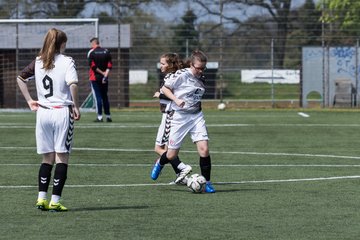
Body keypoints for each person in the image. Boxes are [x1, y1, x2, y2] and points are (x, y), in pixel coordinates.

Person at [17, 28, 81, 211]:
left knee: (47, 158)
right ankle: (55, 200)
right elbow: (73, 84)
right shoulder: (67, 61)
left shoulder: (38, 61)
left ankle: (41, 198)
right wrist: (76, 106)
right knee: (62, 157)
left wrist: (30, 101)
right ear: (62, 43)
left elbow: (20, 78)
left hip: (43, 113)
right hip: (61, 112)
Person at [151, 50, 215, 193]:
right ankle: (160, 163)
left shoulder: (202, 78)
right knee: (171, 154)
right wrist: (176, 99)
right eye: (198, 68)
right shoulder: (181, 75)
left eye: (203, 68)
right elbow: (164, 89)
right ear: (191, 65)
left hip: (196, 116)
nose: (201, 71)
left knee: (204, 149)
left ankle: (208, 182)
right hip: (179, 117)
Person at [151, 53, 192, 184]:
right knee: (169, 150)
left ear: (170, 65)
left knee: (158, 148)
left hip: (169, 116)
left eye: (163, 64)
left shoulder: (171, 77)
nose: (160, 66)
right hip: (170, 114)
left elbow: (174, 97)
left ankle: (182, 167)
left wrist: (160, 95)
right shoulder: (173, 76)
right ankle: (181, 175)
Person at [87, 37, 113, 122]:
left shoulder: (91, 52)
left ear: (93, 43)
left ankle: (100, 117)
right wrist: (105, 74)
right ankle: (108, 116)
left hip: (95, 78)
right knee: (105, 97)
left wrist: (102, 73)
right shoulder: (106, 51)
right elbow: (109, 65)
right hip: (105, 78)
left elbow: (93, 66)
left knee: (98, 97)